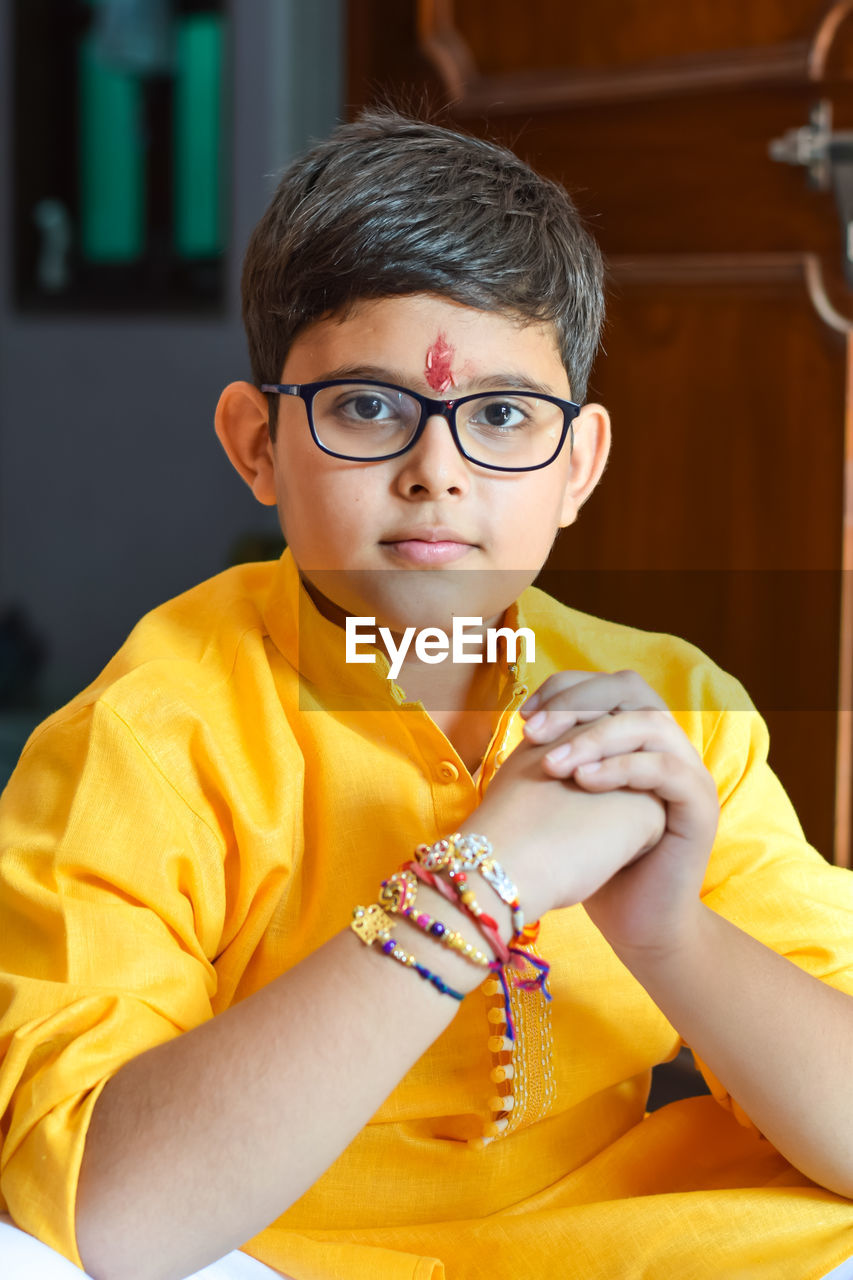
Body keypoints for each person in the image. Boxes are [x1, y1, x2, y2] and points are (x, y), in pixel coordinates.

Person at [2, 109, 853, 1280]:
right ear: (258, 443)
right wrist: (474, 886)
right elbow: (110, 1212)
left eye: (502, 415)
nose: (436, 469)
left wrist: (665, 926)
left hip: (622, 1241)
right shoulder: (151, 737)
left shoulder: (667, 711)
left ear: (577, 467)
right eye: (365, 406)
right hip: (271, 1248)